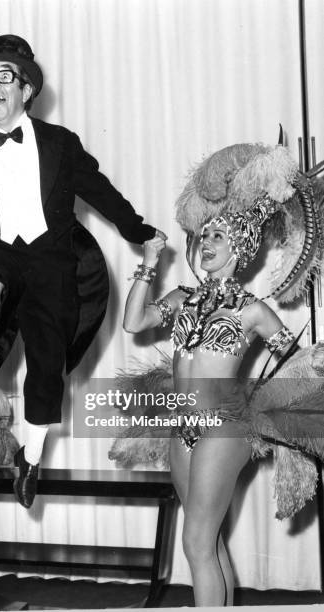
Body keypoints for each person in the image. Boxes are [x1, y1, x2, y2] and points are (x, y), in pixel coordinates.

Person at [0, 34, 166, 508]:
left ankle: (31, 456)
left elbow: (100, 191)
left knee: (47, 366)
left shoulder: (60, 144)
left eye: (4, 76)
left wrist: (140, 231)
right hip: (0, 250)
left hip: (52, 258)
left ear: (26, 90)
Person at [123, 195, 297, 607]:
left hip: (225, 428)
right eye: (204, 236)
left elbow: (293, 361)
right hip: (182, 428)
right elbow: (134, 322)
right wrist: (148, 263)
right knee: (208, 539)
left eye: (218, 235)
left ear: (240, 248)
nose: (207, 242)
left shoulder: (253, 311)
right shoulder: (183, 299)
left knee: (196, 542)